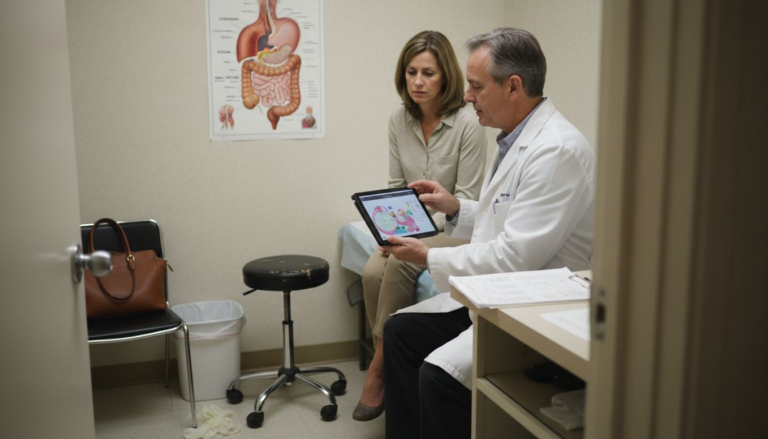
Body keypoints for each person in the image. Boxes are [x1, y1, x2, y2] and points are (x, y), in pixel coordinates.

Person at [380, 28, 596, 439]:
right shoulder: (513, 138)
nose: (466, 96)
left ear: (513, 86)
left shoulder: (557, 151)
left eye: (476, 86)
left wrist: (427, 257)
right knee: (399, 331)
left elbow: (515, 256)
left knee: (437, 377)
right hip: (494, 293)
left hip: (528, 307)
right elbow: (506, 215)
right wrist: (456, 207)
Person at [353, 30, 487, 422]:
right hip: (410, 225)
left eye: (428, 73)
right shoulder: (399, 119)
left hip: (455, 226)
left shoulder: (468, 124)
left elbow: (467, 197)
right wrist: (386, 229)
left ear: (445, 75)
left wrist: (412, 236)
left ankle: (378, 370)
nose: (418, 82)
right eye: (411, 72)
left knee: (399, 264)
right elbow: (395, 188)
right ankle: (389, 362)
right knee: (372, 271)